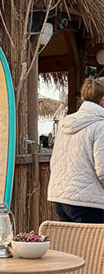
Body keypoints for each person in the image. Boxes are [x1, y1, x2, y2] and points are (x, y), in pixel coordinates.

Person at [47, 77, 104, 224]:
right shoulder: (100, 126)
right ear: (103, 100)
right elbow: (102, 170)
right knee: (95, 240)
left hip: (60, 198)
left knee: (71, 239)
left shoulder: (66, 123)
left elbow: (54, 161)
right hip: (90, 202)